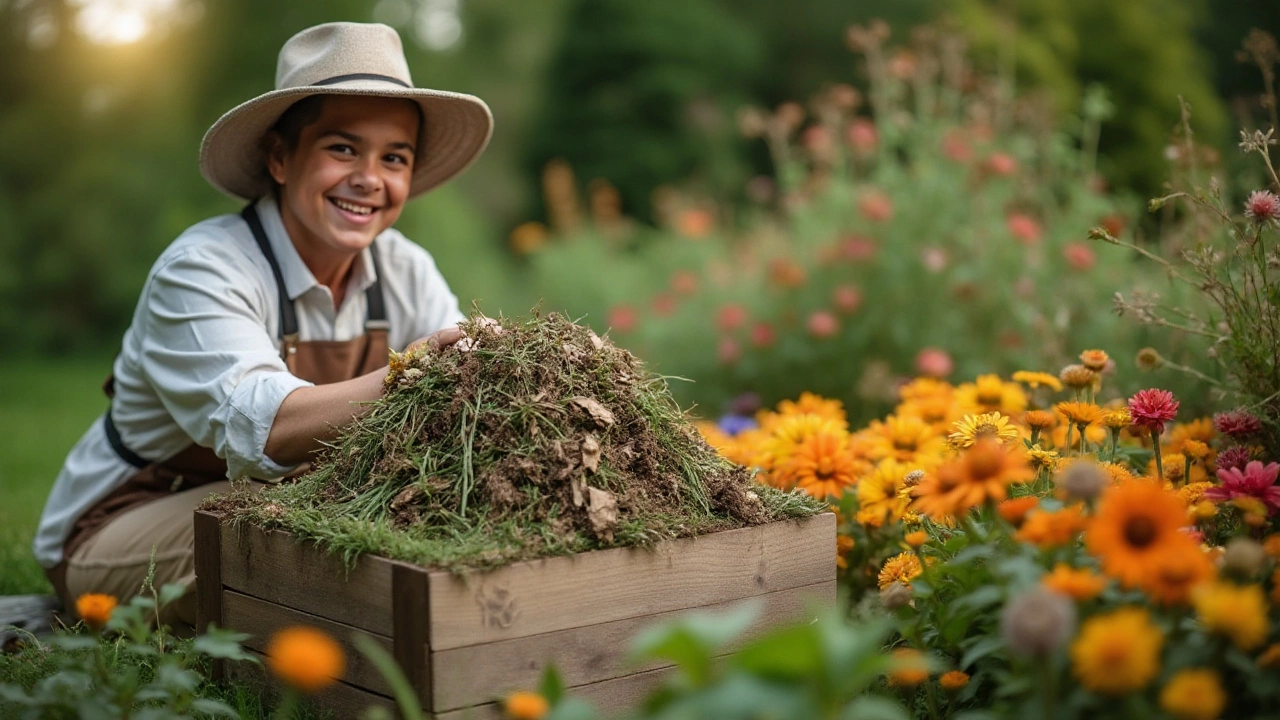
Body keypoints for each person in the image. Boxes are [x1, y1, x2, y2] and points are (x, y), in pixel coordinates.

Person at [32, 21, 493, 626]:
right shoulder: (203, 269)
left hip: (293, 497)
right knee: (317, 534)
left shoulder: (403, 267)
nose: (370, 179)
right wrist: (422, 371)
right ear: (280, 157)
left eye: (394, 158)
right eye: (342, 148)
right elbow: (267, 427)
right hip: (123, 521)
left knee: (402, 511)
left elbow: (467, 374)